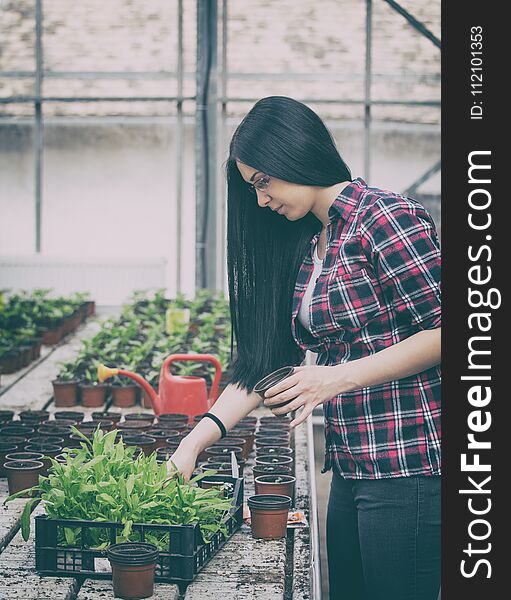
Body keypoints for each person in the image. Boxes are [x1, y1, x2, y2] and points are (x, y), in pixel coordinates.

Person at [169, 96, 441, 600]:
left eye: (262, 182)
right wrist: (193, 444)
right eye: (252, 188)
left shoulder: (385, 218)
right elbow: (268, 364)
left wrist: (336, 377)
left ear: (294, 154)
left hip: (410, 467)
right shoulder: (311, 243)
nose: (260, 200)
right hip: (353, 465)